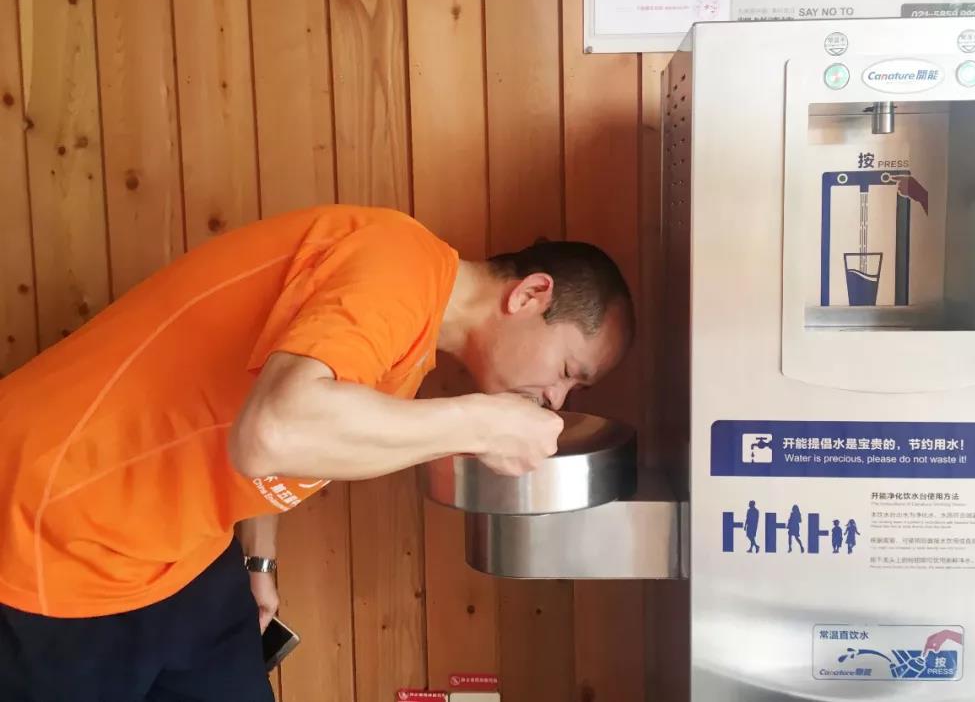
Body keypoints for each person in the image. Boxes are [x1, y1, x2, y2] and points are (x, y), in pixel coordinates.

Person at [0, 205, 634, 701]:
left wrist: (260, 559)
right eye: (567, 372)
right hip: (60, 531)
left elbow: (280, 421)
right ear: (530, 294)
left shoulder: (410, 346)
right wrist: (478, 424)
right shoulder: (397, 263)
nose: (556, 399)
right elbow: (271, 433)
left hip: (181, 553)